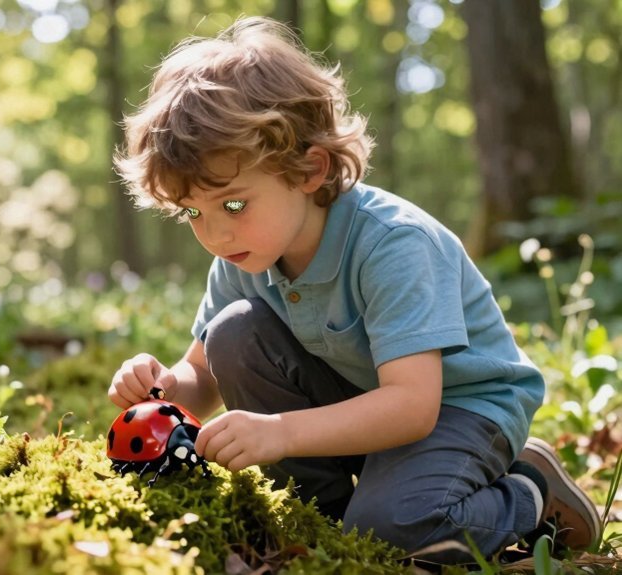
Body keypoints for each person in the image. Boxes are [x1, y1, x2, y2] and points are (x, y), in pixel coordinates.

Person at [108, 15, 601, 563]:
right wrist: (161, 385)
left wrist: (281, 432)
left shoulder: (393, 244)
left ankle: (530, 490)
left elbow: (414, 407)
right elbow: (202, 376)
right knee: (233, 333)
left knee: (393, 529)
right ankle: (328, 517)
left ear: (309, 169)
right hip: (356, 399)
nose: (214, 233)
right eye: (192, 213)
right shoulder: (245, 251)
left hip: (461, 408)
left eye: (233, 204)